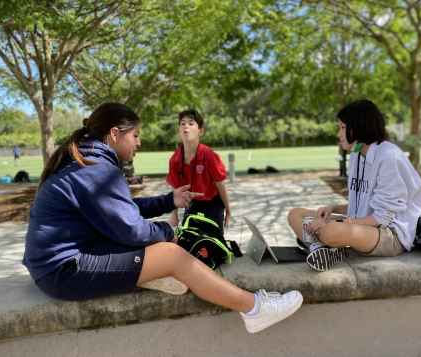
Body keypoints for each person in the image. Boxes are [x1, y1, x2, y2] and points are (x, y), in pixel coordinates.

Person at [22, 102, 302, 333]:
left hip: (63, 260)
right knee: (172, 255)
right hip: (62, 271)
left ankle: (147, 273)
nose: (140, 142)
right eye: (135, 136)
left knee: (160, 246)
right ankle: (254, 308)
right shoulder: (97, 170)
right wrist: (169, 232)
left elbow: (123, 210)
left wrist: (169, 201)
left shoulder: (87, 161)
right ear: (116, 134)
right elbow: (131, 230)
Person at [288, 100, 421, 271]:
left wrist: (338, 224)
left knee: (330, 232)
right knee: (296, 214)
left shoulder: (388, 156)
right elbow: (364, 204)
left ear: (360, 125)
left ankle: (327, 243)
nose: (339, 134)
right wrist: (334, 207)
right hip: (362, 225)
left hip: (389, 234)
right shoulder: (356, 156)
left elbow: (381, 218)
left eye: (343, 128)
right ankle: (318, 250)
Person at [166, 109, 231, 233]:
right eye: (183, 123)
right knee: (189, 238)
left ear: (200, 131)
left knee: (215, 239)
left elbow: (220, 185)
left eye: (191, 123)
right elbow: (175, 190)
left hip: (213, 202)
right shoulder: (175, 160)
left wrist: (228, 211)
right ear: (179, 131)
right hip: (193, 202)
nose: (186, 126)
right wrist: (174, 216)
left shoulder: (209, 156)